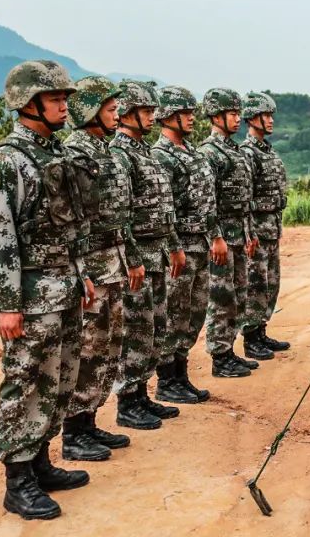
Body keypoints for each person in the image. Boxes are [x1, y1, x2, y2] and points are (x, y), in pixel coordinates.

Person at [0, 60, 93, 520]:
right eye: (55, 99)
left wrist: (81, 272)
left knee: (60, 378)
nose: (65, 106)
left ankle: (42, 460)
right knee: (26, 381)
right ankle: (18, 478)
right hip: (30, 295)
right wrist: (7, 304)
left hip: (63, 287)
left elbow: (72, 225)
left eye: (66, 98)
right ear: (28, 104)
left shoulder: (55, 153)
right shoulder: (8, 160)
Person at [60, 76, 144, 461]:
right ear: (89, 112)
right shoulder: (77, 154)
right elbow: (73, 222)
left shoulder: (105, 151)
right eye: (110, 110)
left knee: (109, 345)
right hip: (93, 266)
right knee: (89, 348)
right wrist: (82, 273)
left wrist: (130, 258)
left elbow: (120, 214)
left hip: (113, 262)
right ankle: (74, 431)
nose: (116, 116)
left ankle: (90, 420)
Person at [109, 81, 185, 427]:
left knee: (155, 327)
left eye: (154, 111)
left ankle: (141, 394)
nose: (153, 117)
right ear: (126, 114)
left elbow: (163, 208)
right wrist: (132, 259)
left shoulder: (144, 153)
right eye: (146, 111)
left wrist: (173, 246)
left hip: (157, 254)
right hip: (138, 257)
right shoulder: (120, 154)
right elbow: (119, 213)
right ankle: (127, 402)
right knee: (136, 330)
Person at [152, 86, 217, 399]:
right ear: (166, 116)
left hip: (200, 244)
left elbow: (208, 201)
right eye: (184, 113)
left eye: (192, 112)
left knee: (194, 312)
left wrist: (214, 235)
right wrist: (173, 247)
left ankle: (181, 374)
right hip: (179, 249)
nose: (191, 118)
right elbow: (164, 211)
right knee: (174, 313)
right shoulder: (160, 157)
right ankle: (167, 382)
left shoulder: (192, 153)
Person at [198, 87, 259, 377]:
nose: (238, 119)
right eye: (232, 114)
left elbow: (243, 200)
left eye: (238, 113)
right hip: (222, 237)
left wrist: (248, 233)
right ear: (216, 116)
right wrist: (215, 237)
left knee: (237, 295)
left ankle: (229, 350)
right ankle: (219, 356)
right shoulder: (209, 153)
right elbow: (206, 201)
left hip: (238, 234)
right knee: (221, 298)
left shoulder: (234, 151)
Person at [239, 91, 291, 355]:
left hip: (271, 227)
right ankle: (250, 337)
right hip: (257, 230)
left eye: (271, 116)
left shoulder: (266, 151)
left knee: (270, 283)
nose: (270, 121)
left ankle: (261, 331)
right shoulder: (247, 153)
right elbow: (245, 198)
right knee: (255, 284)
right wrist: (249, 233)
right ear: (251, 119)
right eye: (265, 116)